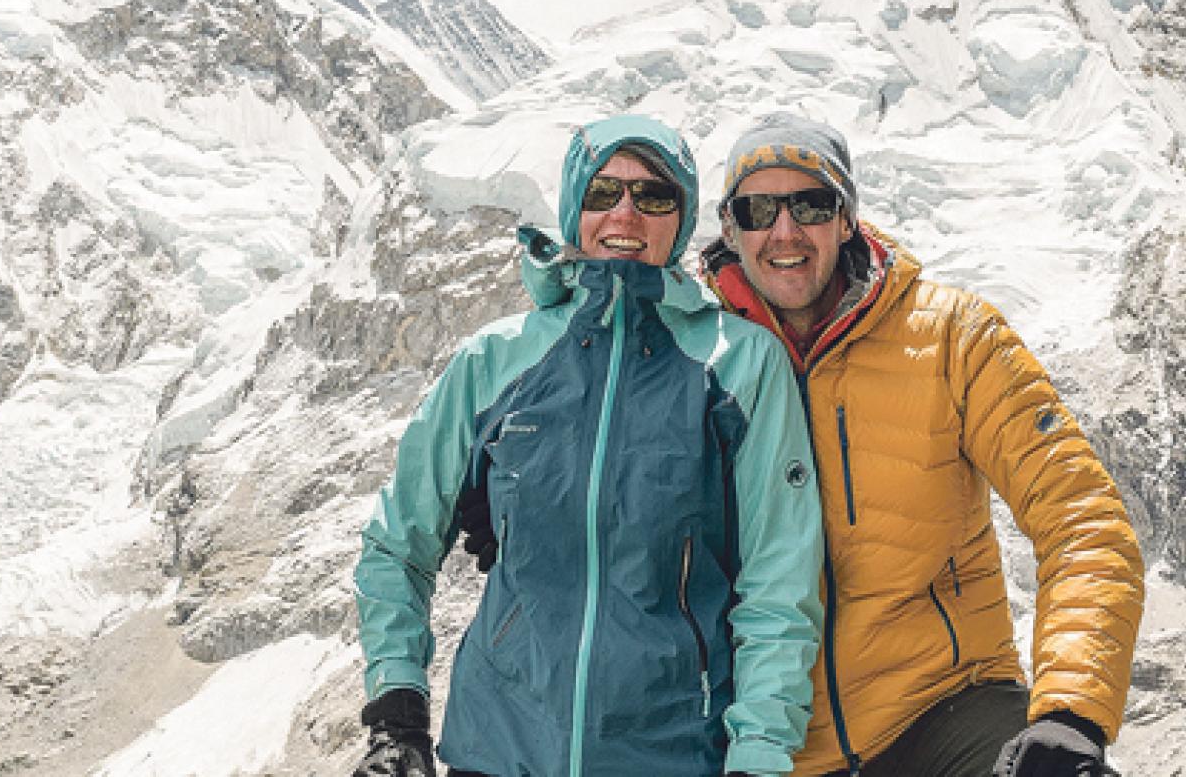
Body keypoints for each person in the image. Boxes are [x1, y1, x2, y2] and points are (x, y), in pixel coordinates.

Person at [352, 114, 825, 777]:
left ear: (681, 217)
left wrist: (760, 753)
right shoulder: (494, 360)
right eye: (604, 192)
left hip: (671, 756)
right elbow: (398, 542)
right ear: (575, 205)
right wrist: (396, 714)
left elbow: (779, 584)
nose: (625, 214)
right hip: (496, 748)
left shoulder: (741, 365)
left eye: (653, 195)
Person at [692, 113, 1145, 777]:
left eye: (810, 205)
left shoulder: (955, 337)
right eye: (758, 210)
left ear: (847, 218)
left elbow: (1082, 519)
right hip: (770, 744)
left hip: (946, 708)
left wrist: (1072, 711)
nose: (784, 231)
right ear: (730, 230)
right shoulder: (692, 359)